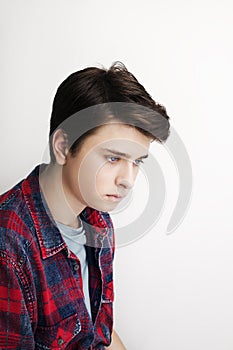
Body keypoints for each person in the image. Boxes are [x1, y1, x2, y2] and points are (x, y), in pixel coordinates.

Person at [0, 62, 170, 349]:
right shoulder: (9, 246)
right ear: (63, 146)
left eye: (137, 162)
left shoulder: (99, 221)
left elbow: (98, 332)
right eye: (114, 158)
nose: (128, 180)